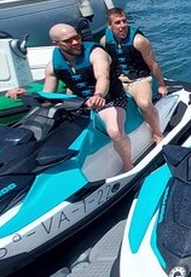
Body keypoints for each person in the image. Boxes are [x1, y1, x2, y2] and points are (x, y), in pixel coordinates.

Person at [7, 23, 133, 172]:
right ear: (55, 43)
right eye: (68, 41)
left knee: (115, 131)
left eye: (76, 37)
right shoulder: (53, 65)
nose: (75, 43)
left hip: (110, 100)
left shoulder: (96, 53)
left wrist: (98, 95)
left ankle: (128, 166)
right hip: (78, 104)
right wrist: (25, 94)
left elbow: (102, 78)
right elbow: (48, 96)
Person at [100, 8, 168, 144]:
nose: (122, 26)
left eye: (124, 21)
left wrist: (161, 85)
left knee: (144, 104)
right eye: (117, 23)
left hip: (138, 79)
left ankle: (157, 133)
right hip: (118, 79)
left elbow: (153, 64)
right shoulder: (104, 41)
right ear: (109, 25)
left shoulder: (139, 41)